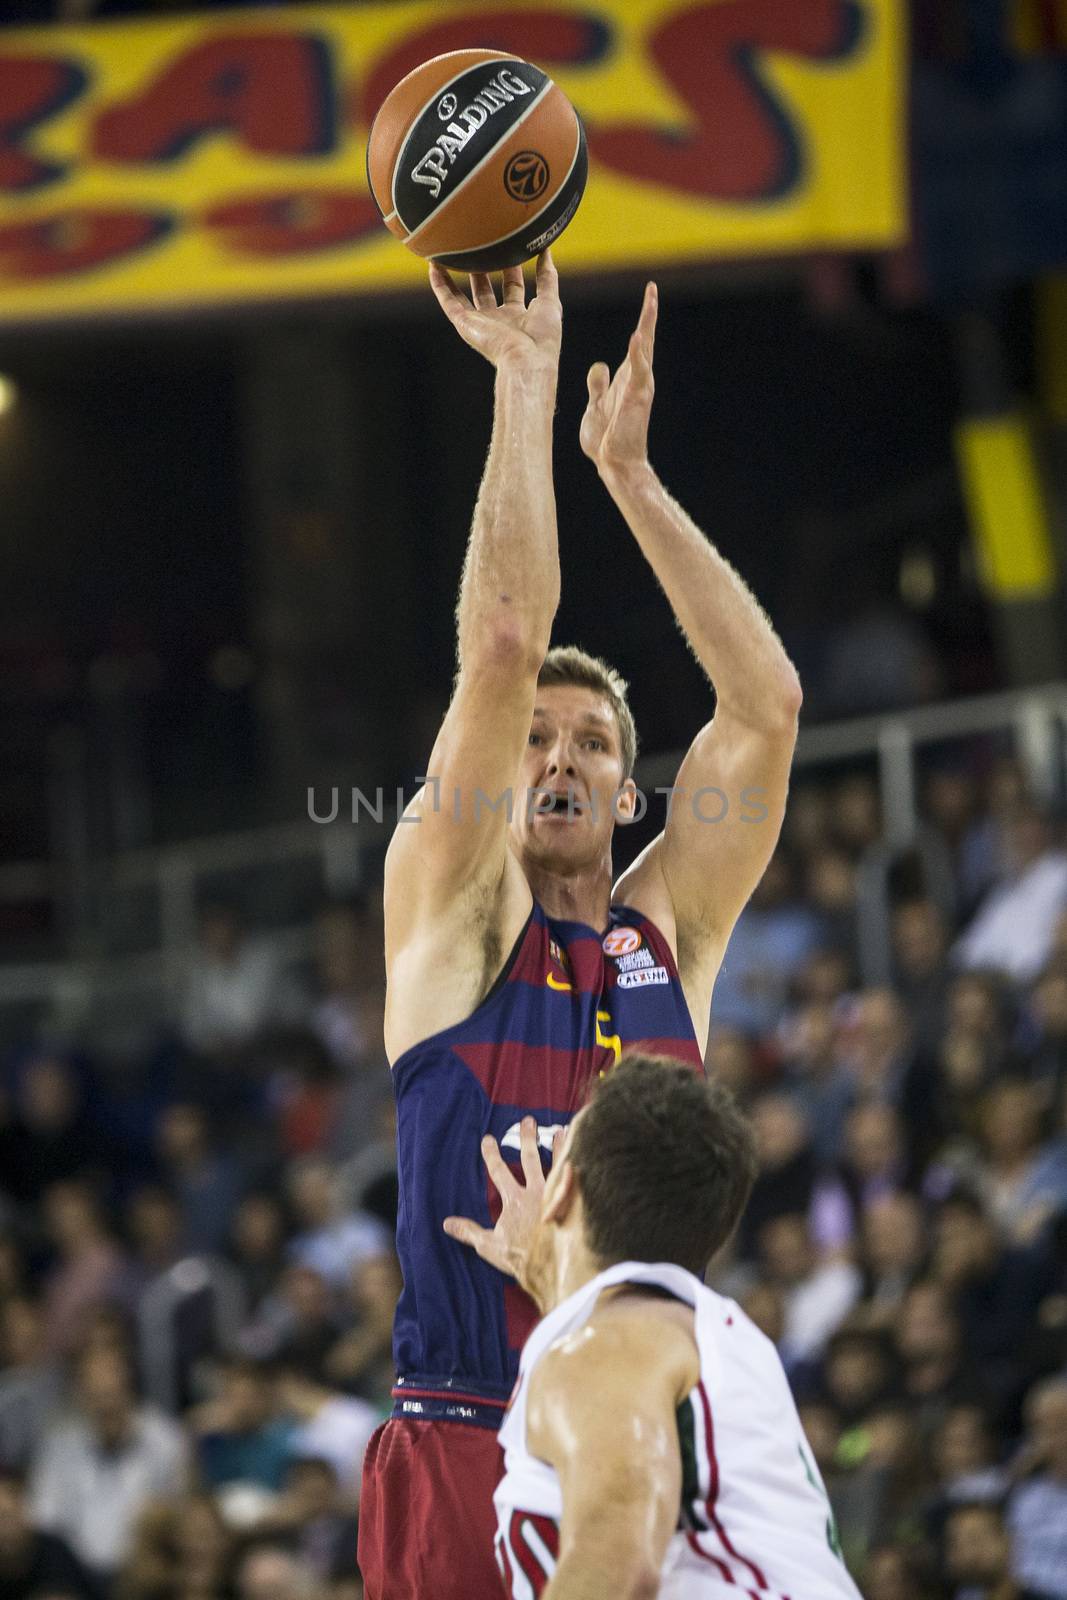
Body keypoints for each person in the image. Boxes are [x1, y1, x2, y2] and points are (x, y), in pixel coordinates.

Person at [360, 252, 802, 1598]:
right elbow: (499, 640)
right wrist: (524, 376)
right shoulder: (446, 908)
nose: (553, 754)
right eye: (533, 738)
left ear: (625, 789)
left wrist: (630, 477)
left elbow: (763, 709)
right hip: (463, 1433)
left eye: (590, 740)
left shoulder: (665, 936)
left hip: (644, 1421)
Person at [445, 1054, 861, 1597]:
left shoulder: (608, 1351)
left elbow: (619, 1569)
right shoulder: (697, 1333)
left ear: (563, 1188)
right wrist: (550, 1273)